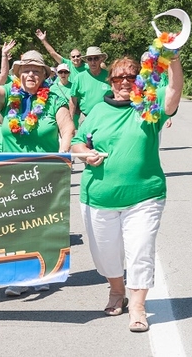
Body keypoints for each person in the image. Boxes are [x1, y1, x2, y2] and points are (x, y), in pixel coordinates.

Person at [71, 54, 183, 333]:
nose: (124, 83)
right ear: (110, 82)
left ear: (139, 81)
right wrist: (86, 154)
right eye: (118, 78)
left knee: (140, 250)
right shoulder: (97, 111)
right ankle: (116, 290)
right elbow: (76, 142)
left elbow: (173, 92)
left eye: (130, 77)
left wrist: (174, 60)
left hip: (144, 195)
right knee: (105, 253)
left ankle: (137, 306)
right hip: (98, 196)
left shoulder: (149, 108)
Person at [0, 48, 75, 297]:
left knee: (40, 225)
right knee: (14, 224)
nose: (31, 74)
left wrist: (63, 157)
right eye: (26, 70)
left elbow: (67, 130)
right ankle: (20, 275)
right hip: (12, 174)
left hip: (45, 174)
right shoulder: (9, 94)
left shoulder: (54, 99)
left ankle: (42, 272)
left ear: (44, 74)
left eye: (36, 70)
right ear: (18, 73)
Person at [71, 46, 111, 122]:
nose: (93, 62)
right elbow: (73, 100)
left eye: (96, 58)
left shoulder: (110, 76)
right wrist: (70, 120)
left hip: (106, 118)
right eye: (90, 59)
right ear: (86, 61)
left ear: (101, 59)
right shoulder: (79, 78)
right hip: (86, 118)